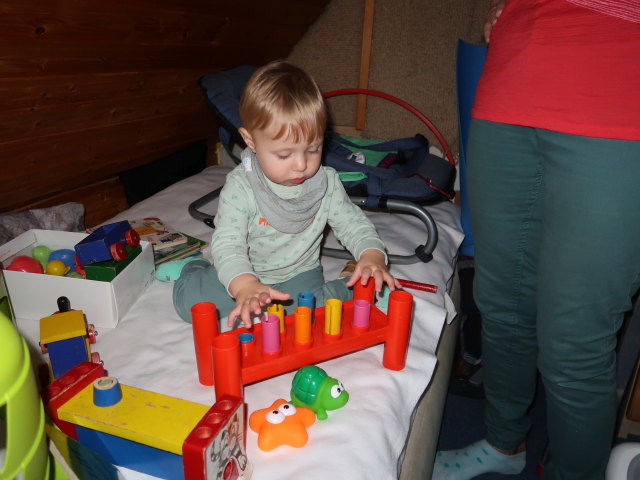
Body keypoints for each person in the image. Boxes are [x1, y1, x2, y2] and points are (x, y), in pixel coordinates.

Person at [433, 1, 640, 479]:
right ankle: (505, 444)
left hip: (620, 96)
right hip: (511, 85)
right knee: (501, 304)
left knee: (575, 341)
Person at [158, 60, 400, 329]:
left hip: (298, 272)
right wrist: (244, 284)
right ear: (251, 141)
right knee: (190, 308)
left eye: (313, 149)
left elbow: (353, 224)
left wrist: (371, 255)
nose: (300, 164)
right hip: (245, 271)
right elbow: (228, 244)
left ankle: (365, 286)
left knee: (309, 317)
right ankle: (191, 267)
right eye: (284, 154)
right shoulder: (241, 186)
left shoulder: (327, 183)